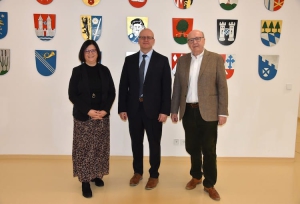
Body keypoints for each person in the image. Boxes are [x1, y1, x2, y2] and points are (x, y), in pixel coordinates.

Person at [170, 29, 228, 201]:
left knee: (209, 150)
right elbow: (177, 88)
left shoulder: (215, 59)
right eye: (191, 40)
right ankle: (196, 175)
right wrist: (174, 110)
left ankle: (209, 184)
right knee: (192, 147)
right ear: (187, 43)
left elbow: (222, 87)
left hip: (209, 112)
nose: (194, 42)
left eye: (198, 39)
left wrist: (222, 111)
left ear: (204, 40)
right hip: (188, 111)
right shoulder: (182, 61)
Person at [118, 28, 172, 190]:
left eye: (149, 37)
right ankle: (137, 172)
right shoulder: (130, 60)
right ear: (138, 40)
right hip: (133, 109)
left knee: (154, 143)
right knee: (136, 142)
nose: (146, 40)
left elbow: (166, 88)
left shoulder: (162, 61)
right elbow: (123, 86)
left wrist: (165, 111)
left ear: (153, 40)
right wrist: (122, 108)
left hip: (154, 111)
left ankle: (154, 174)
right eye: (142, 37)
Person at [68, 40, 115, 198]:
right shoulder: (77, 71)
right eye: (87, 51)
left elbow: (112, 93)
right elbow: (72, 95)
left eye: (93, 50)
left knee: (99, 148)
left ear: (98, 52)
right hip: (84, 117)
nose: (90, 53)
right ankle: (85, 181)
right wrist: (88, 111)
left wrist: (104, 110)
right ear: (83, 53)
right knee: (84, 150)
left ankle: (96, 175)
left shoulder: (105, 70)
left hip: (101, 117)